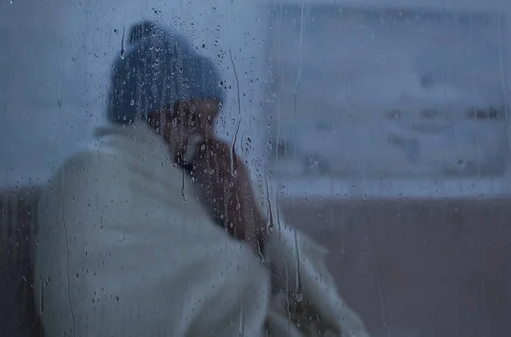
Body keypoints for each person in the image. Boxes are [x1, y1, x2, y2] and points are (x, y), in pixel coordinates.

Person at [33, 21, 369, 337]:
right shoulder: (93, 172)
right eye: (188, 118)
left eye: (211, 121)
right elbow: (86, 311)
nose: (205, 136)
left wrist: (250, 223)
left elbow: (304, 300)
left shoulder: (221, 177)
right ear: (142, 118)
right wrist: (237, 269)